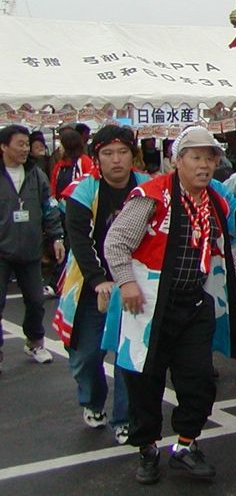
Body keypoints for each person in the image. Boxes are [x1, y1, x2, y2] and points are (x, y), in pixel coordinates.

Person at [103, 126, 236, 484]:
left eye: (210, 158)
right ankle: (147, 449)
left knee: (199, 379)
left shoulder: (216, 201)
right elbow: (115, 243)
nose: (204, 165)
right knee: (144, 382)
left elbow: (221, 249)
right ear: (177, 160)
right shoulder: (152, 196)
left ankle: (186, 445)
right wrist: (126, 282)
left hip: (194, 304)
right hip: (149, 305)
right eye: (196, 157)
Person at [54, 125, 147, 443]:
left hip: (135, 283)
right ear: (97, 157)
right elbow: (79, 241)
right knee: (86, 355)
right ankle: (92, 401)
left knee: (127, 355)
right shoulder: (83, 191)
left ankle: (124, 417)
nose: (116, 160)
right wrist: (98, 280)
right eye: (108, 153)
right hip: (91, 284)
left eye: (122, 152)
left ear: (133, 156)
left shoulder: (148, 187)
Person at [0, 124, 65, 371]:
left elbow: (49, 207)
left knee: (36, 302)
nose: (25, 149)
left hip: (30, 249)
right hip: (2, 251)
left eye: (27, 144)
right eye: (20, 144)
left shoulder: (36, 175)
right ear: (3, 146)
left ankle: (35, 342)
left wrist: (57, 237)